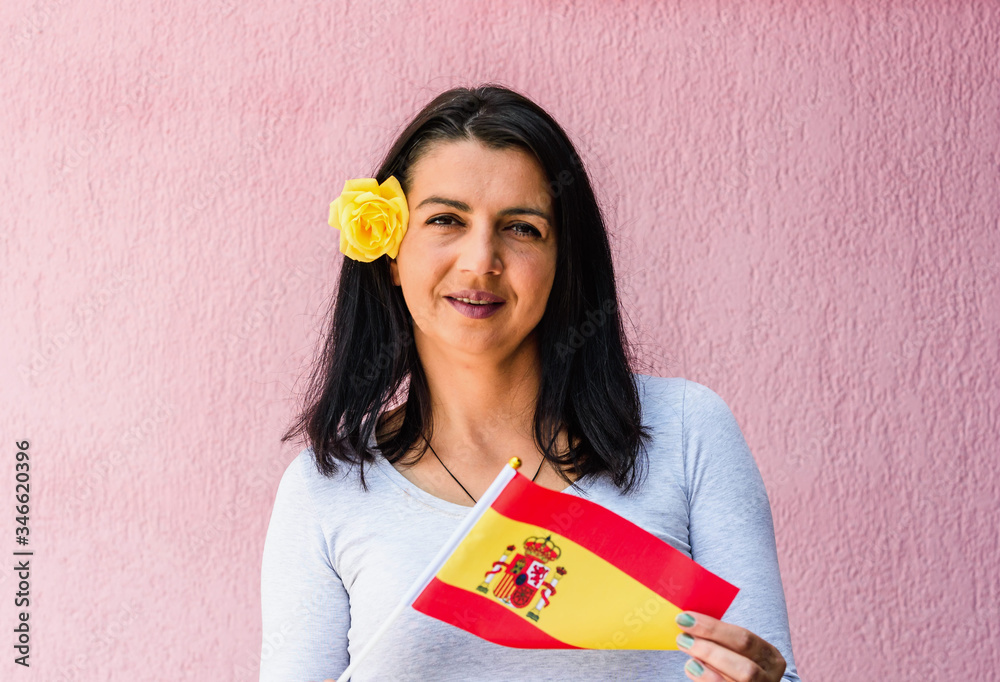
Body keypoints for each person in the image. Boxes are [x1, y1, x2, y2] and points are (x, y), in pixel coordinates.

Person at [259, 84, 800, 682]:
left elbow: (767, 667)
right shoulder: (325, 490)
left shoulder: (686, 432)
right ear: (388, 250)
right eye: (445, 220)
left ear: (565, 258)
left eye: (521, 228)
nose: (480, 260)